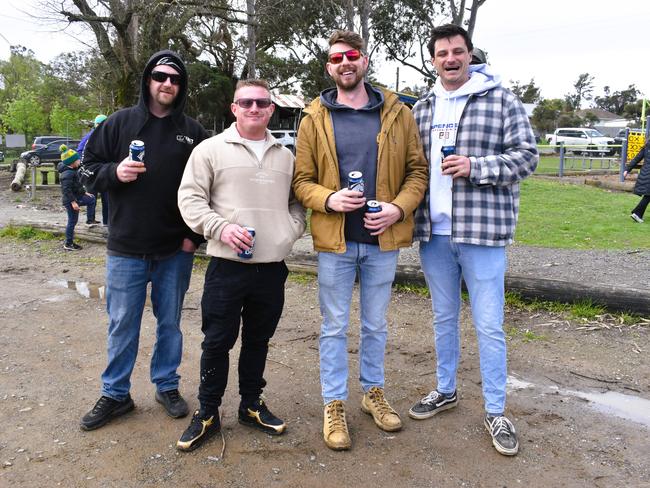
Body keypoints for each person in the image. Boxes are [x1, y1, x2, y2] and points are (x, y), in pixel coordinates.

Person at [293, 30, 428, 451]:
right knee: (334, 327)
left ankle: (373, 393)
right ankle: (334, 403)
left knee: (375, 324)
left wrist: (398, 209)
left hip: (381, 240)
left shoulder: (396, 111)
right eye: (336, 58)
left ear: (364, 60)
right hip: (335, 241)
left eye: (351, 55)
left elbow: (417, 173)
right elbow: (301, 181)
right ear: (329, 67)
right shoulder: (313, 116)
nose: (344, 63)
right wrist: (329, 198)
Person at [408, 24, 538, 457]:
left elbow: (527, 156)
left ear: (469, 55)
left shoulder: (500, 99)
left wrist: (476, 167)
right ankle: (446, 390)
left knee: (488, 323)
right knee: (443, 318)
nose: (450, 59)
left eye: (458, 51)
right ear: (433, 59)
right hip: (434, 234)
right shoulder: (422, 108)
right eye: (442, 53)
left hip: (482, 233)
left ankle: (496, 409)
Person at [78, 50, 208, 431]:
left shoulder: (193, 132)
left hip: (175, 250)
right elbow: (87, 171)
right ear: (148, 80)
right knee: (122, 324)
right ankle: (116, 394)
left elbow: (207, 188)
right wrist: (115, 172)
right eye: (160, 76)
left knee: (170, 323)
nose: (167, 83)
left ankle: (166, 385)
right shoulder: (119, 124)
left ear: (181, 87)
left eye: (175, 79)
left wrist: (193, 238)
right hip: (126, 247)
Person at [175, 79, 306, 451]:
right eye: (246, 102)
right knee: (217, 342)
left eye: (261, 103)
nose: (254, 108)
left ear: (271, 108)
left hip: (270, 267)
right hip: (226, 266)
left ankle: (251, 405)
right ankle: (208, 412)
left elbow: (298, 203)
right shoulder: (210, 150)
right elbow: (191, 199)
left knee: (258, 340)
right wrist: (220, 227)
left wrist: (289, 231)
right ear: (234, 107)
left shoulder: (285, 155)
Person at [58, 144, 97, 251]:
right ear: (72, 162)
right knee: (72, 221)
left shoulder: (72, 171)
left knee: (92, 199)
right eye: (78, 160)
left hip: (77, 197)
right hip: (70, 200)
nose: (79, 161)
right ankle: (68, 243)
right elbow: (66, 190)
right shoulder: (67, 174)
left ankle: (90, 220)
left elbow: (78, 185)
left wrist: (84, 193)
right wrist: (73, 202)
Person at [78, 114, 108, 226]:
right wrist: (84, 167)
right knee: (92, 196)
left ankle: (107, 222)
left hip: (104, 172)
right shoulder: (90, 137)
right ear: (96, 125)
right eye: (100, 124)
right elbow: (80, 150)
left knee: (107, 198)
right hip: (92, 172)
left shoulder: (108, 136)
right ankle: (90, 219)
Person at [624, 137, 650, 223]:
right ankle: (637, 213)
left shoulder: (646, 146)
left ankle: (637, 214)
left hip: (645, 173)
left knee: (648, 195)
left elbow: (636, 158)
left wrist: (627, 170)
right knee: (648, 196)